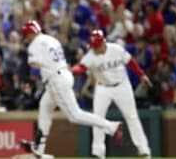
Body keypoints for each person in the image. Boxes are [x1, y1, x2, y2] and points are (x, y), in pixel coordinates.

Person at [19, 21, 122, 159]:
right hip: (63, 74)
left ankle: (111, 126)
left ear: (30, 33)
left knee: (75, 115)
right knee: (45, 106)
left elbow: (34, 63)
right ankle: (39, 148)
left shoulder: (35, 44)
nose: (27, 38)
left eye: (27, 35)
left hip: (55, 79)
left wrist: (39, 64)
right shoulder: (51, 39)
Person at [72, 30, 152, 158]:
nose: (94, 48)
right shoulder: (91, 55)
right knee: (98, 118)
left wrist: (141, 75)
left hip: (122, 85)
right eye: (93, 45)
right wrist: (73, 70)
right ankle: (98, 152)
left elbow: (130, 61)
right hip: (103, 88)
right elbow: (81, 67)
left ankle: (143, 149)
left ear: (103, 43)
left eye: (96, 45)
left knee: (131, 116)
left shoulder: (116, 49)